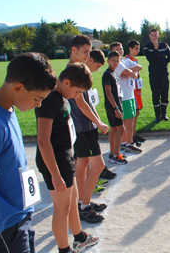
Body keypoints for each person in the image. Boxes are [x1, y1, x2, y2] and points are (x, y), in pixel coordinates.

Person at [0, 52, 56, 253]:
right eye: (37, 98)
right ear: (18, 88)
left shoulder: (8, 107)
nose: (39, 104)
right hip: (5, 226)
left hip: (18, 216)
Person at [35, 63, 99, 253]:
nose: (77, 96)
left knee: (72, 202)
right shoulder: (49, 101)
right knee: (61, 209)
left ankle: (80, 237)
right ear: (66, 82)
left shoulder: (62, 97)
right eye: (77, 91)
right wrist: (55, 174)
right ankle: (64, 250)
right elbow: (43, 141)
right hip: (54, 161)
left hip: (65, 157)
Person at [72, 49, 109, 223]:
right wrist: (98, 123)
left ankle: (82, 202)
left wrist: (98, 121)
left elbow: (88, 102)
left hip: (86, 126)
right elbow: (80, 104)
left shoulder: (82, 72)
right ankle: (84, 206)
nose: (87, 57)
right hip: (82, 127)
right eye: (85, 53)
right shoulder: (76, 73)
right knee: (98, 165)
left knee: (83, 163)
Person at [110, 42, 143, 153]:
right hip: (123, 96)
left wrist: (130, 71)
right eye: (116, 49)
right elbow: (128, 72)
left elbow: (140, 66)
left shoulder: (125, 61)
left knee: (130, 119)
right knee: (127, 121)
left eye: (121, 48)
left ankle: (125, 142)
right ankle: (128, 143)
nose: (120, 51)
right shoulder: (117, 63)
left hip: (130, 94)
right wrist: (131, 72)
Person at [102, 51, 128, 165]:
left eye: (117, 61)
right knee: (121, 129)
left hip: (116, 105)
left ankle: (113, 153)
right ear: (108, 61)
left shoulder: (113, 73)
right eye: (113, 61)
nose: (116, 63)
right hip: (113, 106)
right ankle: (115, 155)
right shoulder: (107, 74)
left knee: (113, 129)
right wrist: (116, 108)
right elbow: (108, 93)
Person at [143, 29, 170, 123]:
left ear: (158, 36)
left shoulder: (164, 45)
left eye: (156, 35)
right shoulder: (147, 47)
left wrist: (163, 63)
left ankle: (164, 114)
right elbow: (150, 59)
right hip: (153, 74)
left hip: (164, 73)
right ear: (150, 36)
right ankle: (157, 115)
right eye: (153, 35)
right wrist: (155, 49)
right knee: (155, 94)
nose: (154, 37)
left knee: (165, 93)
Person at [126, 40, 147, 145]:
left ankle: (134, 134)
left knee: (137, 112)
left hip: (137, 89)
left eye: (139, 48)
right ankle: (130, 136)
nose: (138, 50)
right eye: (136, 48)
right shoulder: (127, 60)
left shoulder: (135, 60)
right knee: (133, 113)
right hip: (131, 90)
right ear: (130, 48)